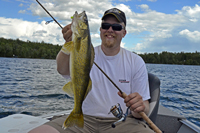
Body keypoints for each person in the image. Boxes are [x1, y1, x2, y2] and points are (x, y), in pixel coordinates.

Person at [29, 8, 154, 133]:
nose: (110, 30)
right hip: (84, 120)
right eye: (105, 25)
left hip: (122, 122)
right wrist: (68, 42)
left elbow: (144, 108)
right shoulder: (86, 52)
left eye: (116, 27)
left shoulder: (136, 61)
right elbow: (61, 70)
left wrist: (139, 108)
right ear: (100, 30)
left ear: (124, 32)